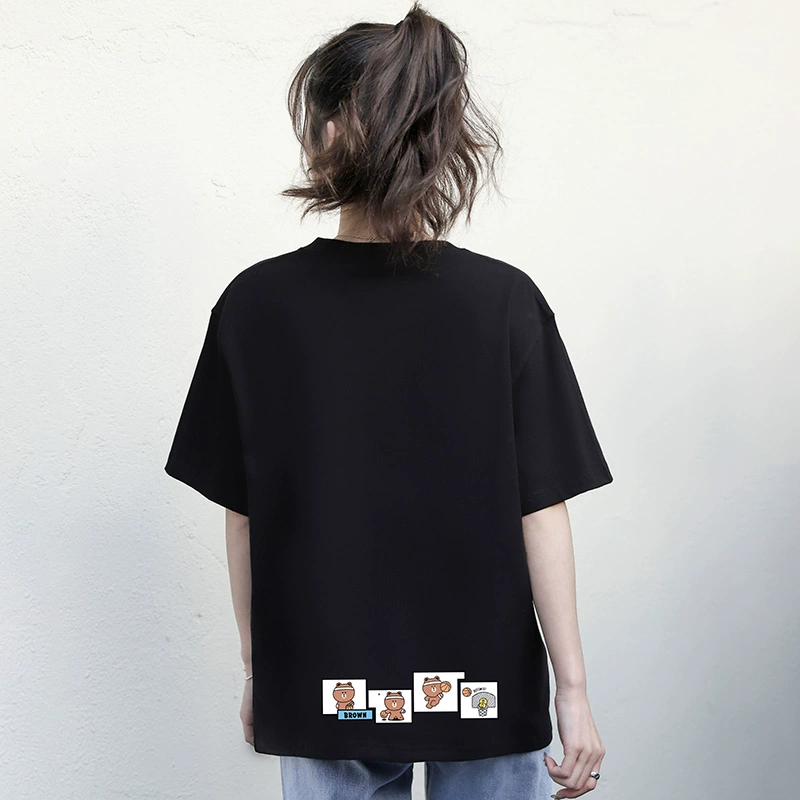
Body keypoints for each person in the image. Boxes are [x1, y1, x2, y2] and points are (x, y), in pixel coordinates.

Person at [164, 3, 611, 798]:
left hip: (326, 682)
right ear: (440, 143)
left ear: (324, 133)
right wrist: (572, 694)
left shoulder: (256, 307)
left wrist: (260, 672)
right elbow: (540, 509)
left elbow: (244, 515)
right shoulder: (504, 304)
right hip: (481, 686)